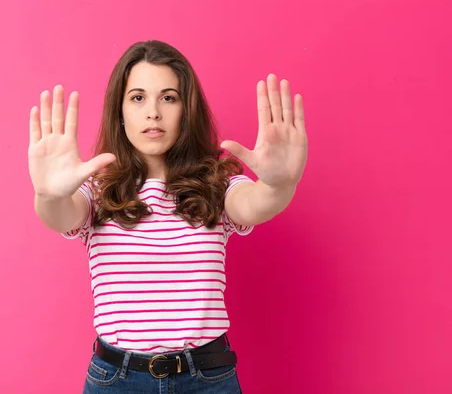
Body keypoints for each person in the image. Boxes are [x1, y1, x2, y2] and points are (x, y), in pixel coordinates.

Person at [28, 40, 308, 393]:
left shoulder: (215, 183)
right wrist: (48, 193)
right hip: (116, 380)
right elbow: (60, 215)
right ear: (120, 111)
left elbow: (256, 202)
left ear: (186, 110)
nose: (153, 113)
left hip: (207, 378)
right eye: (138, 98)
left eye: (169, 97)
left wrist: (280, 183)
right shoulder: (99, 190)